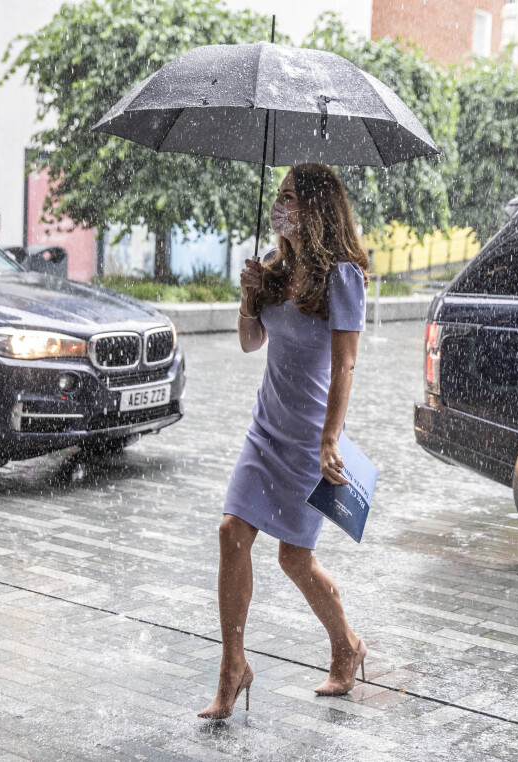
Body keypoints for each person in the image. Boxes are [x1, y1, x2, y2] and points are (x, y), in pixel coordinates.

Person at [198, 163, 369, 720]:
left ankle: (346, 644)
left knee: (294, 559)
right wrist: (249, 296)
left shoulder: (342, 277)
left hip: (308, 442)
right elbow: (251, 342)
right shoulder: (274, 269)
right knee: (231, 532)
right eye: (279, 197)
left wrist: (329, 439)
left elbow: (345, 364)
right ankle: (233, 667)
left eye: (290, 198)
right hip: (265, 430)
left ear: (316, 209)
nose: (280, 207)